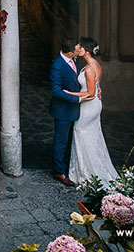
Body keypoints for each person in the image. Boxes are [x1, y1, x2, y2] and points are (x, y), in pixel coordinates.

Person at [64, 37, 119, 185]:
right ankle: (92, 169)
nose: (78, 48)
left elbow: (90, 94)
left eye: (80, 47)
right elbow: (96, 86)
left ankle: (87, 173)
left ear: (86, 50)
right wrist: (98, 89)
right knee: (92, 136)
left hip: (89, 106)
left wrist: (69, 94)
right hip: (95, 105)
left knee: (81, 134)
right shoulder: (95, 64)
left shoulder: (89, 69)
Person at [49, 36, 91, 186]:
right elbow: (56, 91)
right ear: (69, 53)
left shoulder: (73, 60)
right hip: (63, 111)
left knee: (70, 141)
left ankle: (69, 166)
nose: (80, 50)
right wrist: (78, 99)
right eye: (77, 49)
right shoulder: (57, 66)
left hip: (74, 109)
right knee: (61, 142)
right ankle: (59, 171)